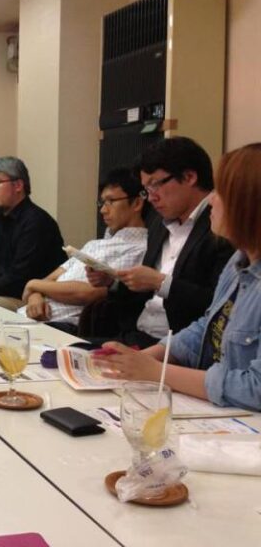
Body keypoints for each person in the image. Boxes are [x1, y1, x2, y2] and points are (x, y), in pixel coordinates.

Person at [94, 143, 261, 412]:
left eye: (221, 192)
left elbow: (255, 388)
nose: (212, 200)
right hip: (209, 397)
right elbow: (208, 325)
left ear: (249, 204)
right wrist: (143, 360)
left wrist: (156, 371)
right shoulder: (238, 262)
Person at [87, 137, 234, 348]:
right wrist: (113, 282)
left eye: (155, 184)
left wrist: (161, 283)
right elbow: (142, 294)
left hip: (180, 346)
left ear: (189, 177)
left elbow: (220, 305)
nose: (151, 197)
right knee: (63, 353)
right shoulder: (158, 222)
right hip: (136, 335)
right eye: (146, 189)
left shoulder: (221, 224)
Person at [19, 167, 148, 334]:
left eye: (111, 201)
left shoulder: (138, 249)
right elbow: (48, 279)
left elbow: (90, 293)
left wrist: (33, 284)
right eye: (102, 203)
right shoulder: (94, 244)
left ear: (137, 203)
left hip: (61, 325)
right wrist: (35, 296)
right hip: (30, 317)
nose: (103, 210)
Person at [0, 156, 66, 309]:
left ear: (18, 185)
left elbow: (18, 277)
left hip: (32, 298)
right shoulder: (0, 219)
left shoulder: (36, 222)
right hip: (2, 293)